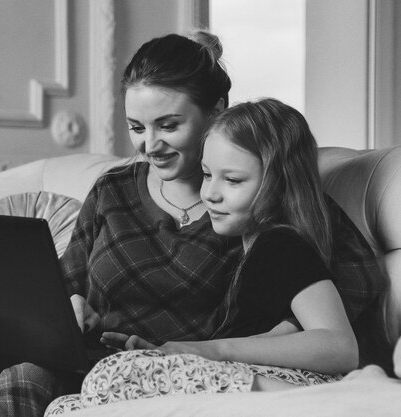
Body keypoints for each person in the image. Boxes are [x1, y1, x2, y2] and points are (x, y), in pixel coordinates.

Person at [0, 31, 388, 416]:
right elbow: (68, 282)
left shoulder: (262, 201)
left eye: (168, 124)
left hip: (139, 367)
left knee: (26, 385)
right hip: (74, 343)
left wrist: (264, 339)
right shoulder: (116, 190)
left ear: (217, 110)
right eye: (136, 126)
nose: (150, 145)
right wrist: (69, 305)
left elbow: (347, 282)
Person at [99, 98, 358, 386]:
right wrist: (167, 356)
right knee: (69, 404)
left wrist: (213, 352)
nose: (210, 193)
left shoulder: (280, 245)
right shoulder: (252, 246)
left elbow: (340, 346)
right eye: (207, 174)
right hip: (247, 380)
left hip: (284, 386)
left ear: (280, 184)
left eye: (232, 180)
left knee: (107, 379)